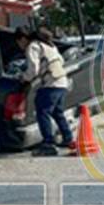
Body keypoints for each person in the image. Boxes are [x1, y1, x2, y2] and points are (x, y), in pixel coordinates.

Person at [17, 26, 74, 157]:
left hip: (51, 84)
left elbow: (33, 69)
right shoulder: (49, 45)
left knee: (42, 112)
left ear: (23, 39)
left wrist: (24, 78)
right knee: (57, 112)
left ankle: (48, 144)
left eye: (19, 42)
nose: (20, 46)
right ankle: (68, 138)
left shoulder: (33, 47)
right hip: (62, 82)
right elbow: (61, 60)